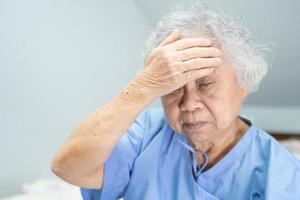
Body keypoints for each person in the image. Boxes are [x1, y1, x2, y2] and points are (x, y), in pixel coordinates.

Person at [51, 2, 300, 199]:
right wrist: (144, 85)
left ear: (243, 82)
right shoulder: (146, 132)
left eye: (205, 83)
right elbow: (68, 167)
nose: (189, 103)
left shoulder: (281, 175)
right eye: (173, 87)